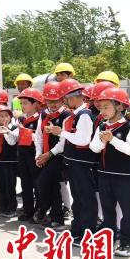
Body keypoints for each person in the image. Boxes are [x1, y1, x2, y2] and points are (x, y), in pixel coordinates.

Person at [42, 79, 96, 246]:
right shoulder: (77, 115)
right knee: (78, 199)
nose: (64, 101)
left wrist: (62, 132)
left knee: (85, 199)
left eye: (65, 98)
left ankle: (87, 234)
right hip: (74, 163)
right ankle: (78, 230)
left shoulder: (84, 115)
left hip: (82, 164)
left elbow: (82, 140)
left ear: (73, 97)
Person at [90, 87, 130, 257]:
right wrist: (102, 140)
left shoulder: (129, 127)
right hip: (104, 175)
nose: (102, 111)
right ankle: (108, 239)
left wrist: (112, 139)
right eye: (101, 107)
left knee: (127, 211)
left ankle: (127, 242)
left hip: (125, 177)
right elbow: (94, 148)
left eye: (106, 107)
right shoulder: (101, 126)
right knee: (107, 209)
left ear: (120, 107)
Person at [34, 81, 72, 229]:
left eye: (56, 100)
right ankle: (54, 217)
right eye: (49, 100)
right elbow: (38, 135)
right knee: (49, 186)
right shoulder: (43, 114)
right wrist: (38, 154)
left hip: (58, 156)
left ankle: (48, 212)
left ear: (62, 99)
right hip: (44, 155)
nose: (53, 103)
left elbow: (63, 141)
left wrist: (48, 154)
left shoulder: (66, 115)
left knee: (44, 183)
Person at [15, 87, 45, 222]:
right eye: (21, 103)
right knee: (25, 183)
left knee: (37, 183)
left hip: (34, 153)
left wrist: (26, 132)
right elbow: (16, 137)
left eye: (25, 103)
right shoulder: (21, 118)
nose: (22, 106)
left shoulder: (40, 118)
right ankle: (27, 210)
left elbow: (41, 137)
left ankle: (40, 211)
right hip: (22, 153)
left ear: (35, 104)